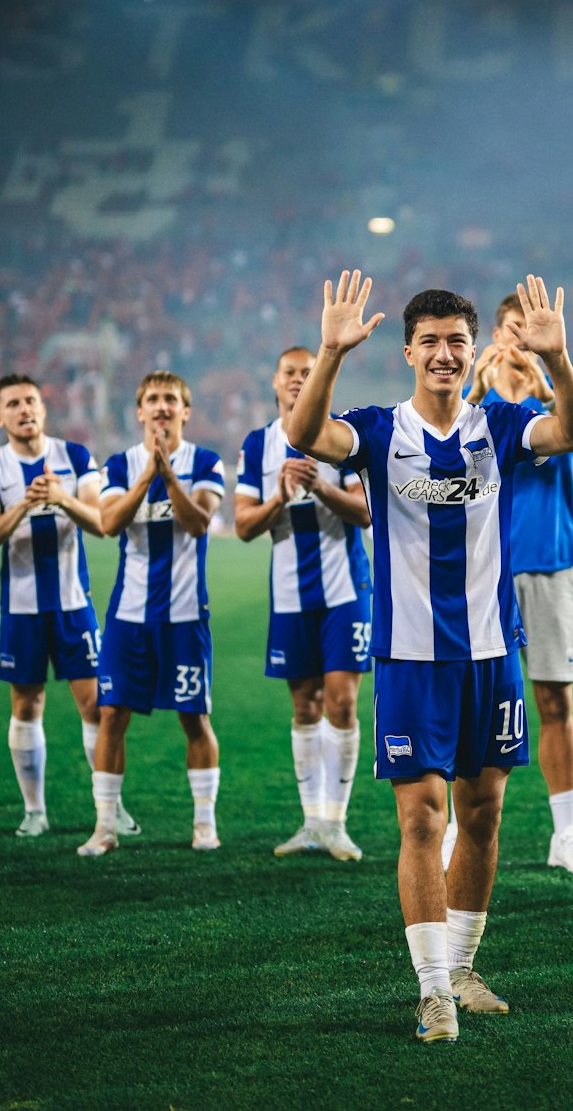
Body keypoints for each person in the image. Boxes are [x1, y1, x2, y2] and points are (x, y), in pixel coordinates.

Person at [285, 271, 573, 1043]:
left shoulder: (502, 424)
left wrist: (559, 361)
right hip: (410, 658)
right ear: (408, 353)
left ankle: (461, 965)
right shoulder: (380, 431)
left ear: (472, 351)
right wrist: (328, 350)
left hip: (493, 655)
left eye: (458, 341)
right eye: (430, 341)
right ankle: (432, 990)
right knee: (421, 818)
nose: (446, 354)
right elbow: (302, 434)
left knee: (483, 814)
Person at [468, 294, 573, 875]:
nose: (521, 342)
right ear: (496, 336)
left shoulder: (563, 395)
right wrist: (478, 392)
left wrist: (549, 385)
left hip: (552, 562)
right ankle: (458, 825)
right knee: (471, 703)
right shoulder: (471, 403)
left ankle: (568, 833)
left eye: (532, 332)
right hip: (483, 572)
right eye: (512, 330)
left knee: (555, 700)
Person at [0, 374, 127, 838]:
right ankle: (34, 810)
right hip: (20, 607)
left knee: (96, 704)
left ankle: (109, 810)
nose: (25, 409)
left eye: (31, 400)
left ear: (44, 408)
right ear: (0, 417)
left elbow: (101, 522)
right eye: (13, 403)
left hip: (73, 603)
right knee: (26, 704)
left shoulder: (74, 457)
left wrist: (60, 498)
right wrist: (22, 504)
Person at [79, 372, 227, 856]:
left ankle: (204, 824)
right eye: (152, 400)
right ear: (139, 411)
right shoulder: (119, 464)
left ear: (185, 411)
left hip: (185, 615)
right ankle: (105, 826)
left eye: (171, 400)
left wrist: (169, 478)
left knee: (194, 718)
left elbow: (199, 522)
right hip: (128, 615)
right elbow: (107, 523)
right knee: (112, 714)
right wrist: (148, 474)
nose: (161, 407)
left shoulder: (205, 462)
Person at [235, 346, 372, 862]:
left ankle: (336, 823)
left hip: (345, 591)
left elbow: (364, 513)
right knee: (304, 706)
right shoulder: (259, 444)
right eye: (291, 373)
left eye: (308, 373)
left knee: (341, 702)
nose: (298, 380)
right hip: (291, 594)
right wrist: (279, 497)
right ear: (275, 382)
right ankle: (311, 821)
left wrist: (320, 486)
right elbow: (245, 525)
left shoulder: (343, 437)